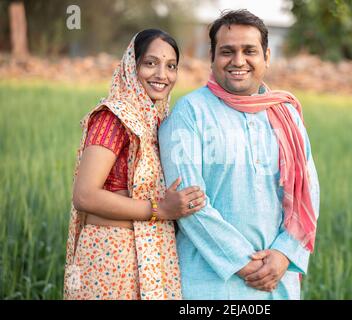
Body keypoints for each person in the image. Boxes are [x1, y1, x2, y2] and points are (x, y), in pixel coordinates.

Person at [158, 10, 320, 299]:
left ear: (267, 57)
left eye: (250, 51)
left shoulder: (287, 117)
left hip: (278, 284)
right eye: (227, 51)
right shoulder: (190, 113)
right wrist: (245, 264)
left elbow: (309, 192)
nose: (238, 61)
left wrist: (284, 255)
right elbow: (189, 203)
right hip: (208, 286)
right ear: (212, 56)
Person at [64, 29, 206, 300]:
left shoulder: (160, 123)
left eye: (171, 66)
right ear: (132, 65)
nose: (162, 75)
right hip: (111, 257)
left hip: (153, 257)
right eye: (150, 63)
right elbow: (84, 195)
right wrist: (159, 210)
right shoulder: (114, 117)